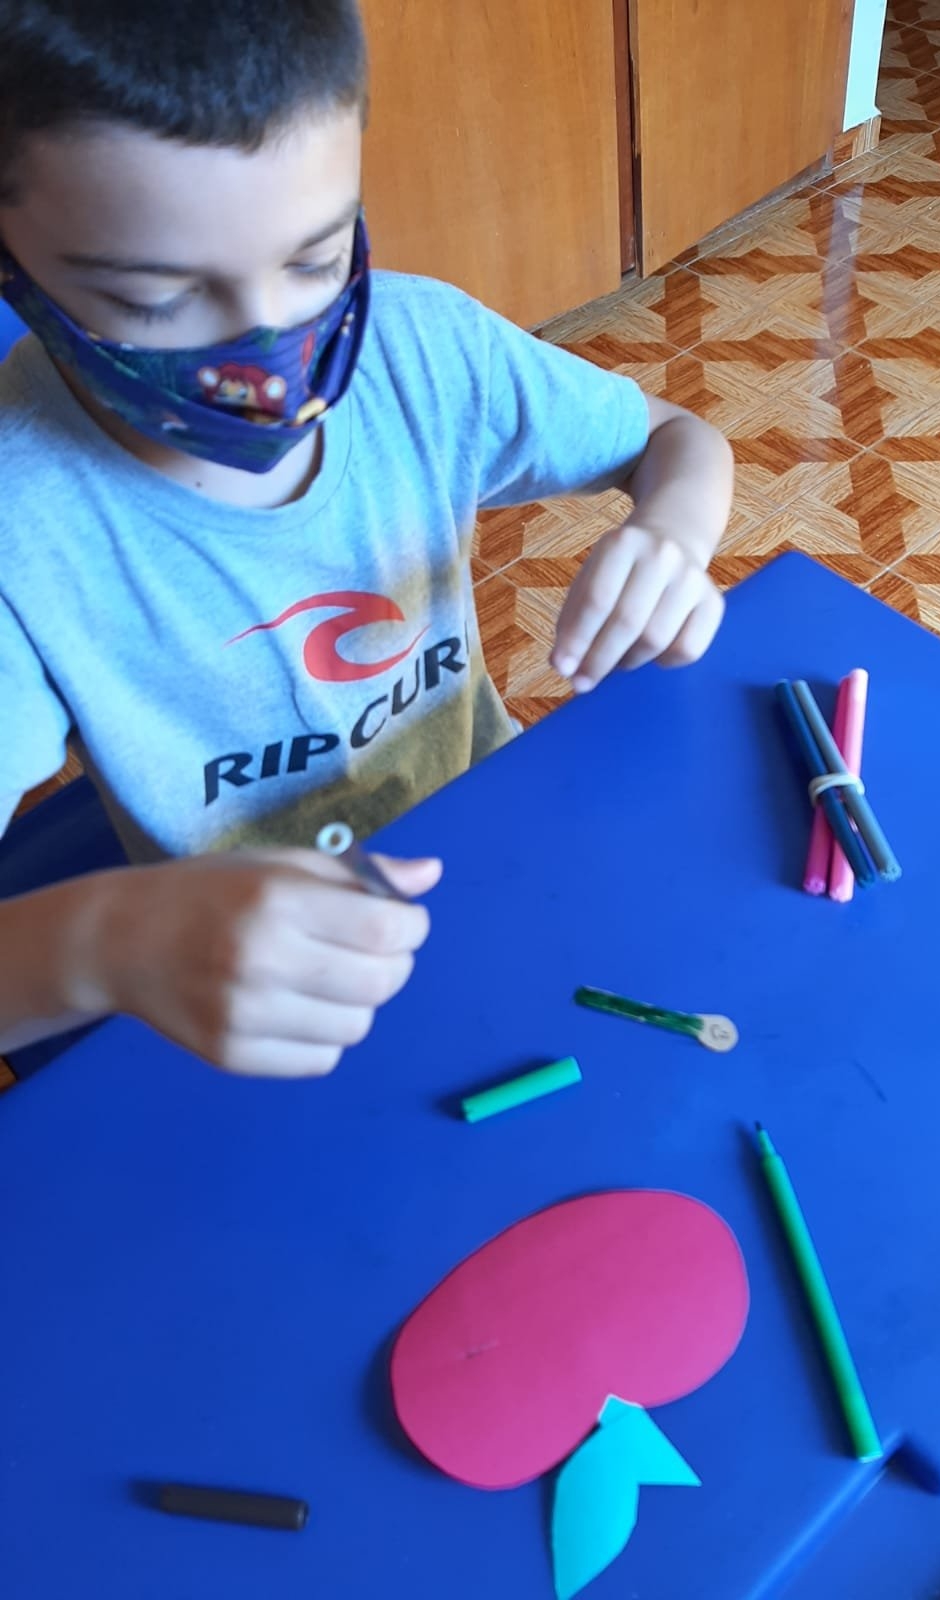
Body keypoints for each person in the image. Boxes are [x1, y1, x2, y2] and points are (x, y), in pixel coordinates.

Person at [0, 0, 734, 1078]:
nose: (267, 354)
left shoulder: (423, 347)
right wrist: (106, 944)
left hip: (493, 857)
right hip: (260, 999)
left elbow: (679, 440)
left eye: (316, 257)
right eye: (154, 298)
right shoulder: (22, 527)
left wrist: (673, 533)